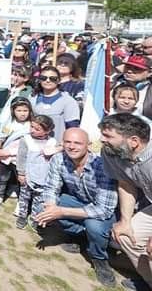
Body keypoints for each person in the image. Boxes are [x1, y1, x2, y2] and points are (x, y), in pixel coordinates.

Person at [36, 128, 117, 288]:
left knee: (94, 225)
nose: (72, 147)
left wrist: (61, 212)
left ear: (89, 145)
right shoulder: (58, 159)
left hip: (108, 210)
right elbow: (51, 188)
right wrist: (51, 208)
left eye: (77, 143)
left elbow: (104, 210)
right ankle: (81, 237)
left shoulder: (102, 166)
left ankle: (100, 259)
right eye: (67, 142)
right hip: (79, 202)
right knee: (42, 208)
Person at [100, 113, 152, 291]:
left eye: (108, 136)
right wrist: (125, 221)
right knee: (125, 235)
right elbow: (126, 183)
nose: (101, 139)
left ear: (134, 141)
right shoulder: (112, 151)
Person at [15, 115, 59, 230]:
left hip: (43, 177)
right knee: (24, 197)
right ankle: (22, 216)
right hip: (28, 175)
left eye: (37, 129)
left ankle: (35, 217)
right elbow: (21, 157)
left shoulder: (52, 142)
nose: (32, 130)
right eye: (32, 127)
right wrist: (21, 173)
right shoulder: (26, 140)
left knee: (38, 199)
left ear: (48, 131)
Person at [0, 97, 33, 210]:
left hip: (21, 159)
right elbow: (1, 138)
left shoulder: (31, 126)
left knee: (20, 180)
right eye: (19, 110)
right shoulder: (9, 124)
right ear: (13, 111)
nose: (22, 114)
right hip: (5, 157)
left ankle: (21, 201)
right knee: (2, 177)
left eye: (25, 110)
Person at [31, 66, 80, 141]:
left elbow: (72, 128)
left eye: (52, 78)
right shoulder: (32, 98)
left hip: (56, 146)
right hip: (32, 144)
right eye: (43, 78)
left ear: (59, 81)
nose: (47, 81)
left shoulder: (68, 101)